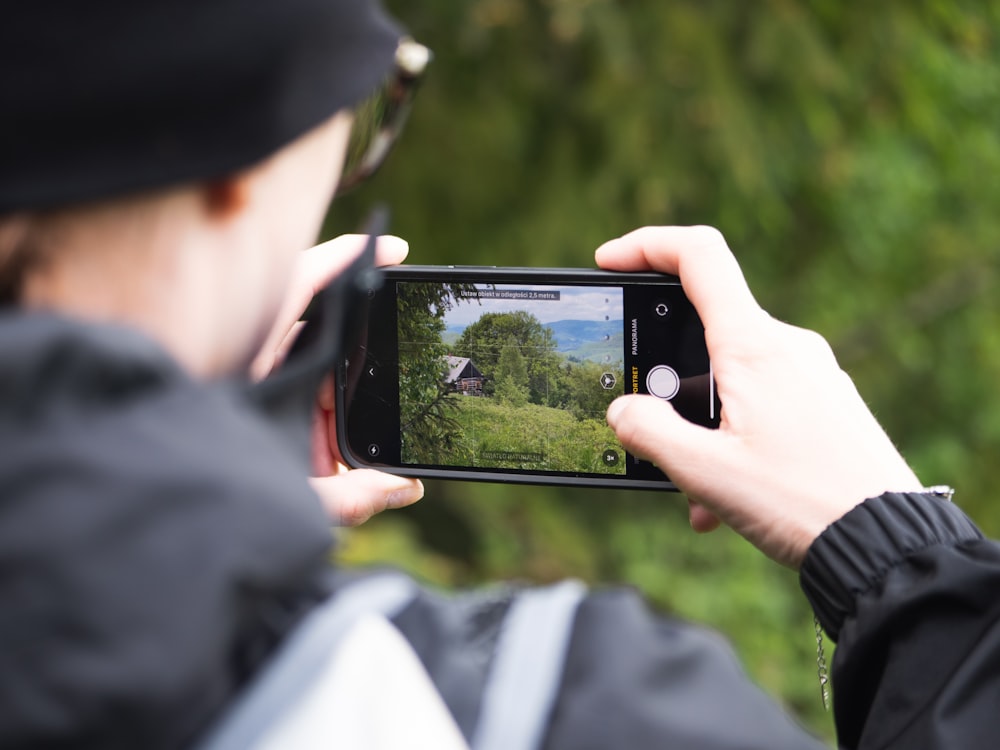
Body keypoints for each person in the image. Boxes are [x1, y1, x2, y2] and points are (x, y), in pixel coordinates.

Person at [0, 2, 995, 750]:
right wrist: (896, 560)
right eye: (366, 114)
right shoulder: (574, 711)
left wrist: (188, 508)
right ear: (241, 165)